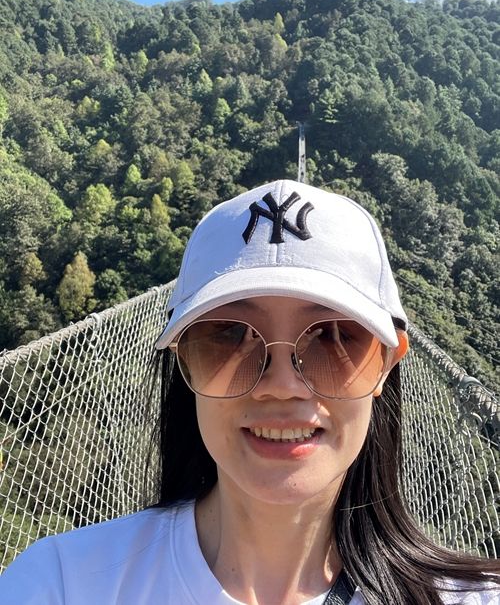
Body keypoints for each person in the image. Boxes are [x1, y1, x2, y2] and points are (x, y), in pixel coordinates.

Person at [1, 179, 499, 605]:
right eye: (229, 335)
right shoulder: (61, 584)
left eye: (333, 337)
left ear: (387, 362)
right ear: (182, 359)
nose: (282, 386)